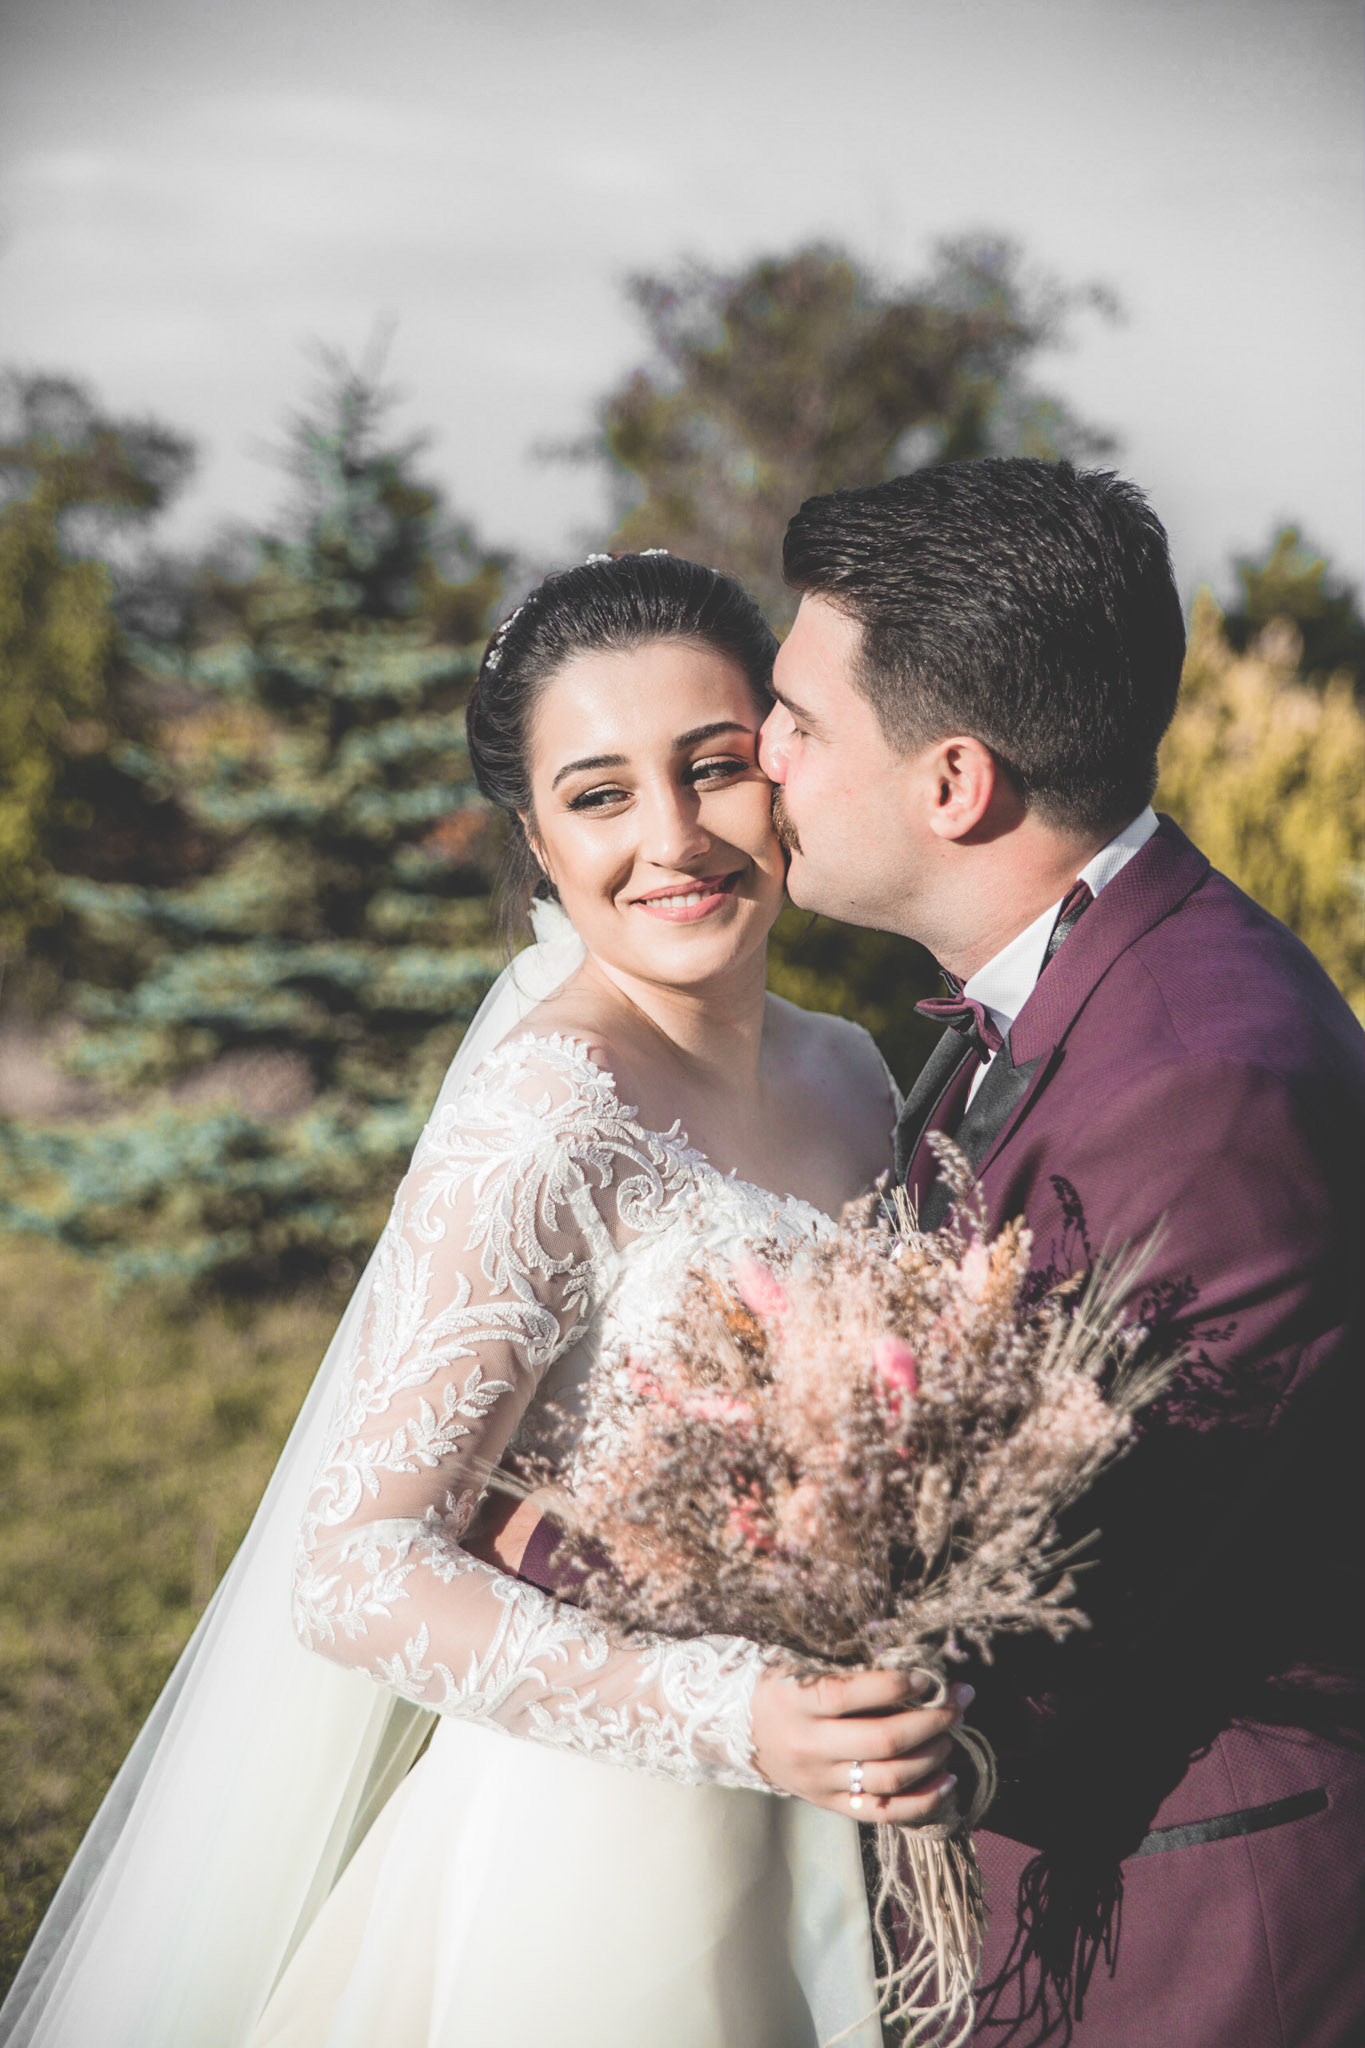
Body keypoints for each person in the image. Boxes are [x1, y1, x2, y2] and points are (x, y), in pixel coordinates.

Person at [0, 552, 967, 2048]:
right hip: (614, 1861)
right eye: (599, 795)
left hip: (875, 1807)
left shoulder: (851, 1069)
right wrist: (733, 1717)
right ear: (533, 838)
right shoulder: (548, 1113)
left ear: (781, 769)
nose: (672, 837)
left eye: (713, 767)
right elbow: (354, 1570)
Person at [752, 457, 1365, 2045]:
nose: (761, 757)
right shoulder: (1078, 986)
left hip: (1181, 1939)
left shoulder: (1203, 1082)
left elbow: (1073, 1592)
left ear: (953, 782)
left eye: (799, 722)